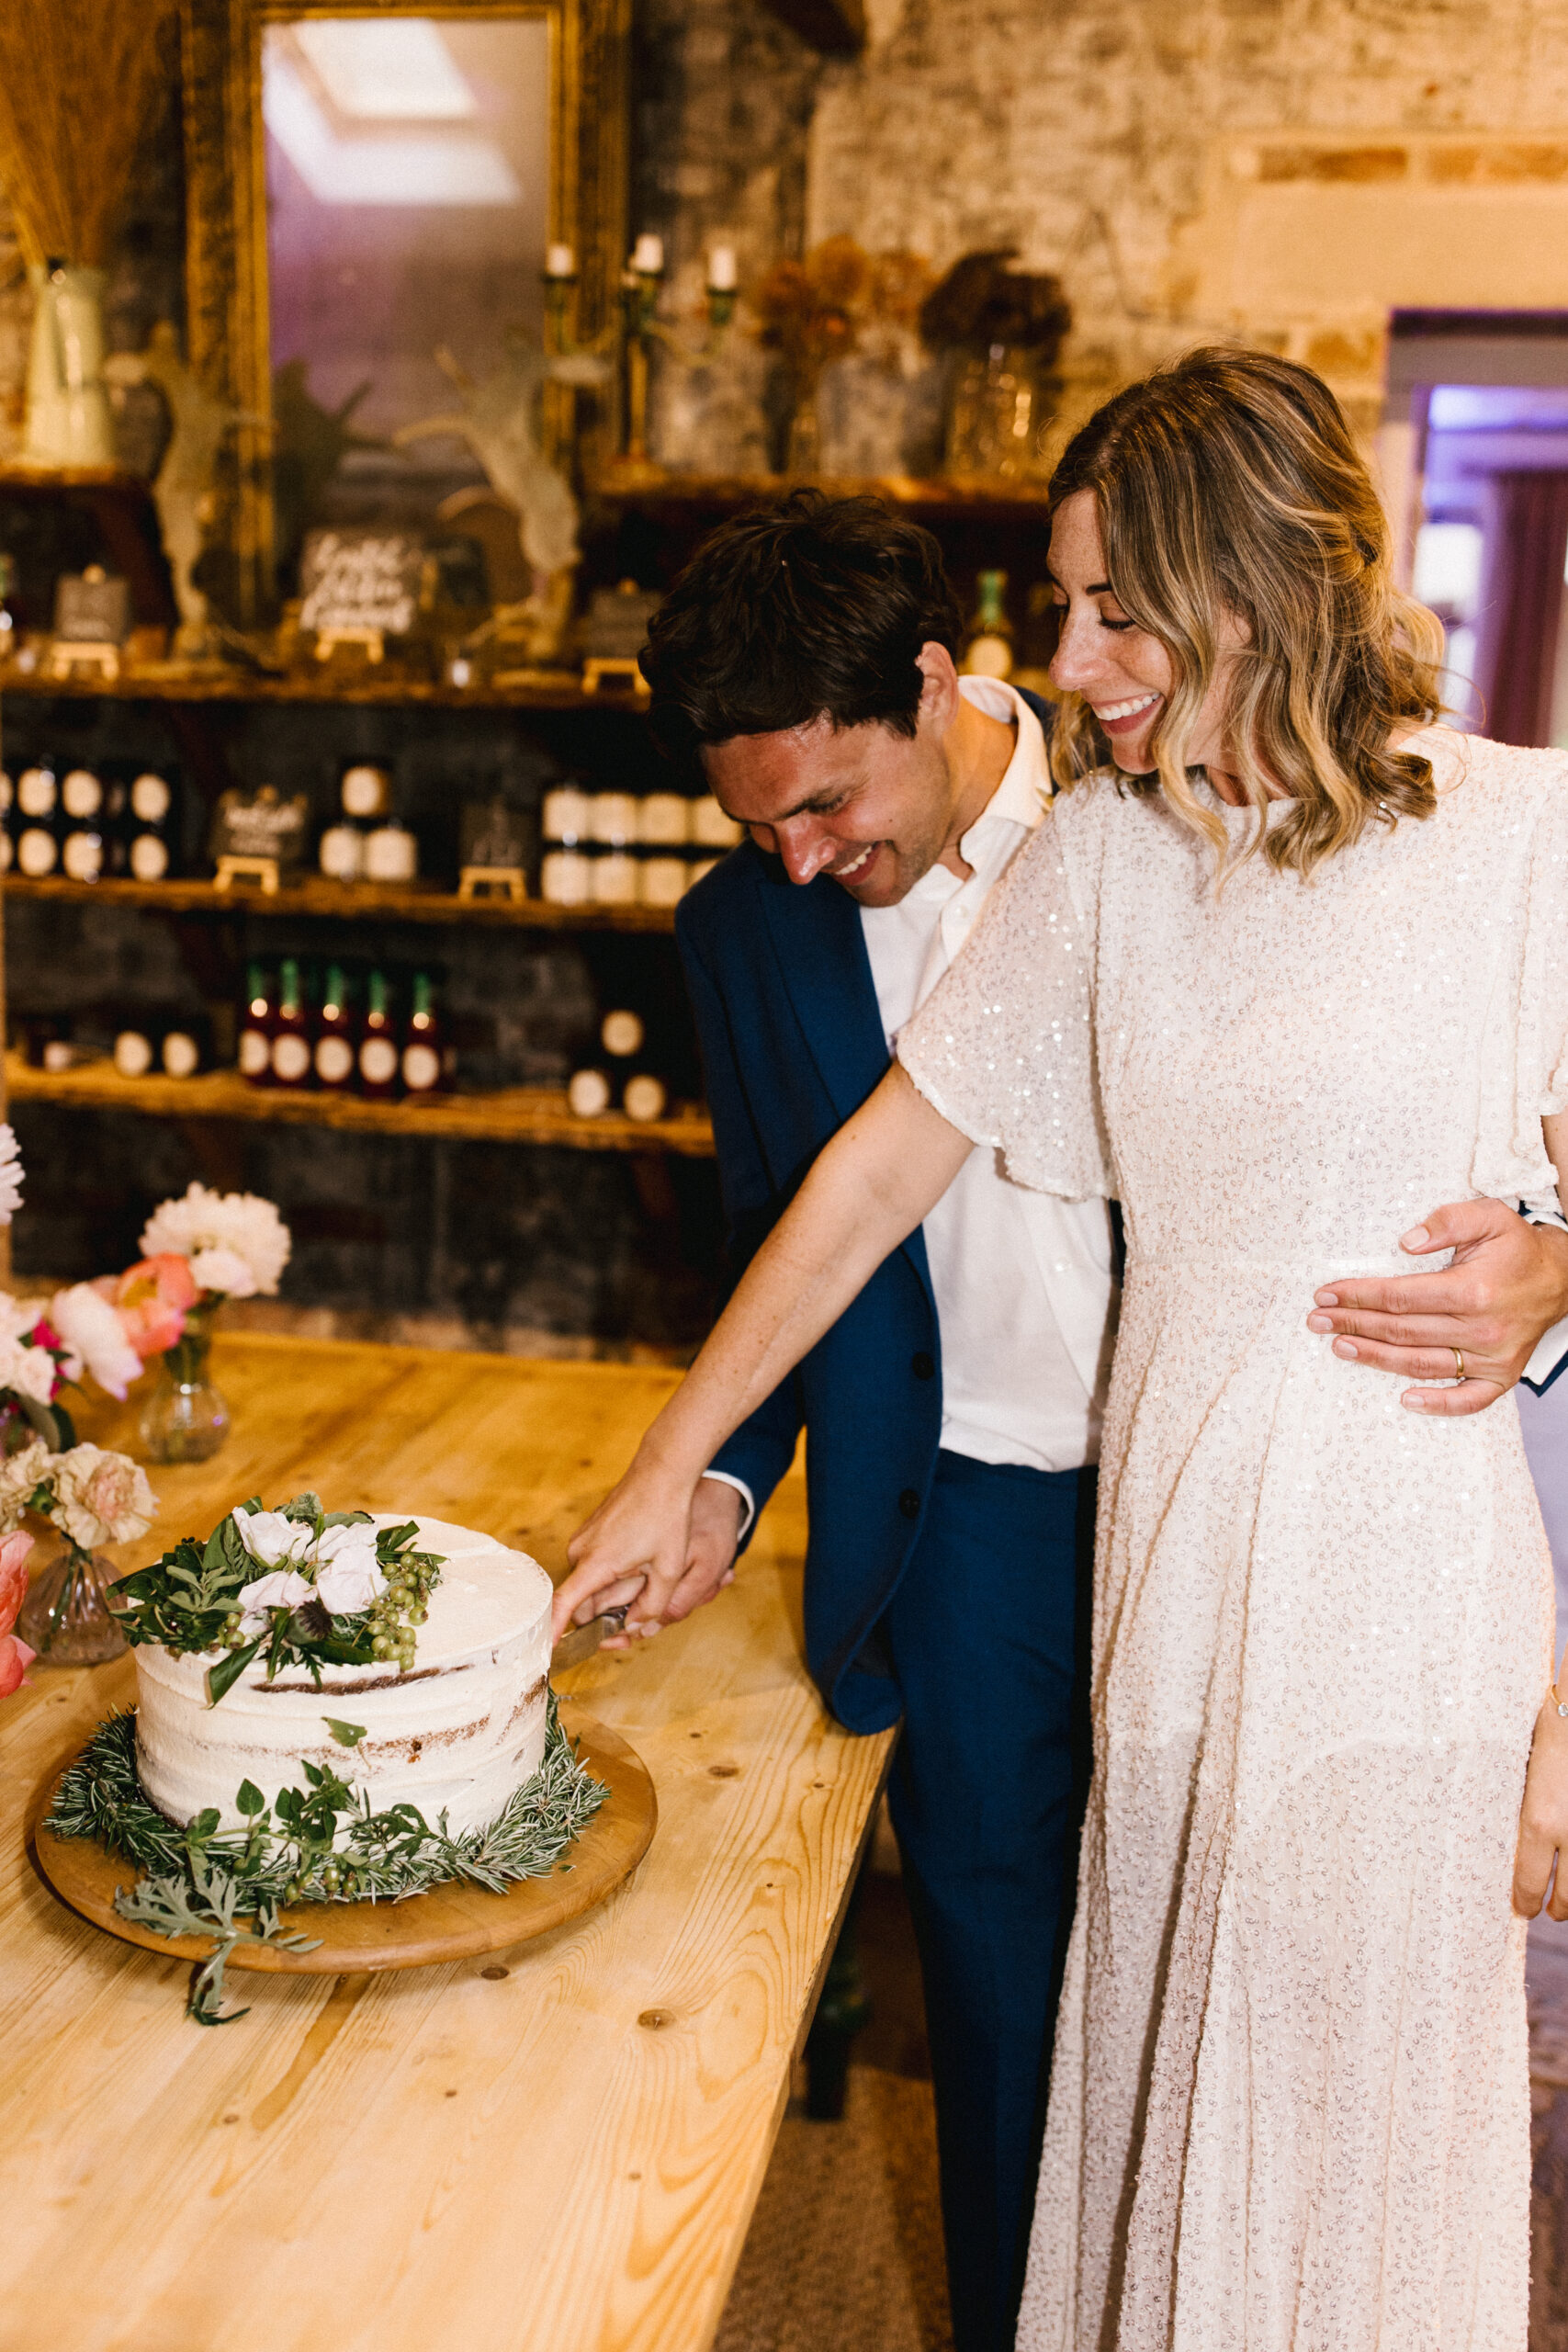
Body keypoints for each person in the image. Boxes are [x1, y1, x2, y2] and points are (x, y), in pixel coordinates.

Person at [552, 415, 1568, 2350]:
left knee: (1347, 2121)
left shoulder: (1524, 835)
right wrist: (671, 1459)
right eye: (1065, 604)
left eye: (1114, 607)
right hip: (1159, 1593)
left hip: (1395, 1586)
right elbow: (856, 1184)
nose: (1073, 651)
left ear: (1256, 579)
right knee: (1141, 2099)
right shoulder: (1111, 856)